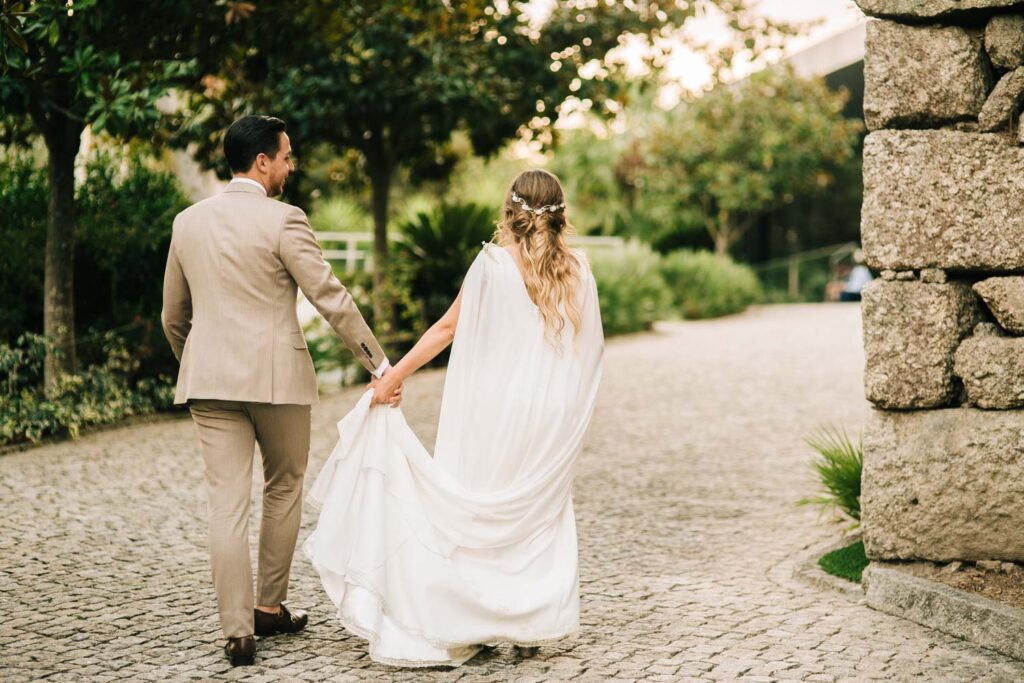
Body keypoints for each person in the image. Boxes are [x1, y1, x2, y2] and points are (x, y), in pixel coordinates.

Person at [304, 169, 605, 667]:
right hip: (548, 411)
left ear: (509, 211)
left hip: (492, 409)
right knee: (535, 514)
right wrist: (568, 412)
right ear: (560, 212)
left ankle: (476, 618)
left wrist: (391, 377)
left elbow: (446, 328)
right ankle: (528, 623)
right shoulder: (579, 270)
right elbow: (589, 352)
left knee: (477, 506)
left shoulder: (490, 265)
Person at [160, 115, 401, 667]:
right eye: (287, 156)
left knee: (226, 504)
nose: (292, 166)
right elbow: (330, 297)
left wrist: (199, 365)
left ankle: (238, 632)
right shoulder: (283, 220)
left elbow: (173, 316)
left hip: (210, 383)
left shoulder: (187, 222)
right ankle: (269, 607)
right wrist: (379, 364)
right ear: (263, 161)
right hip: (278, 381)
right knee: (284, 485)